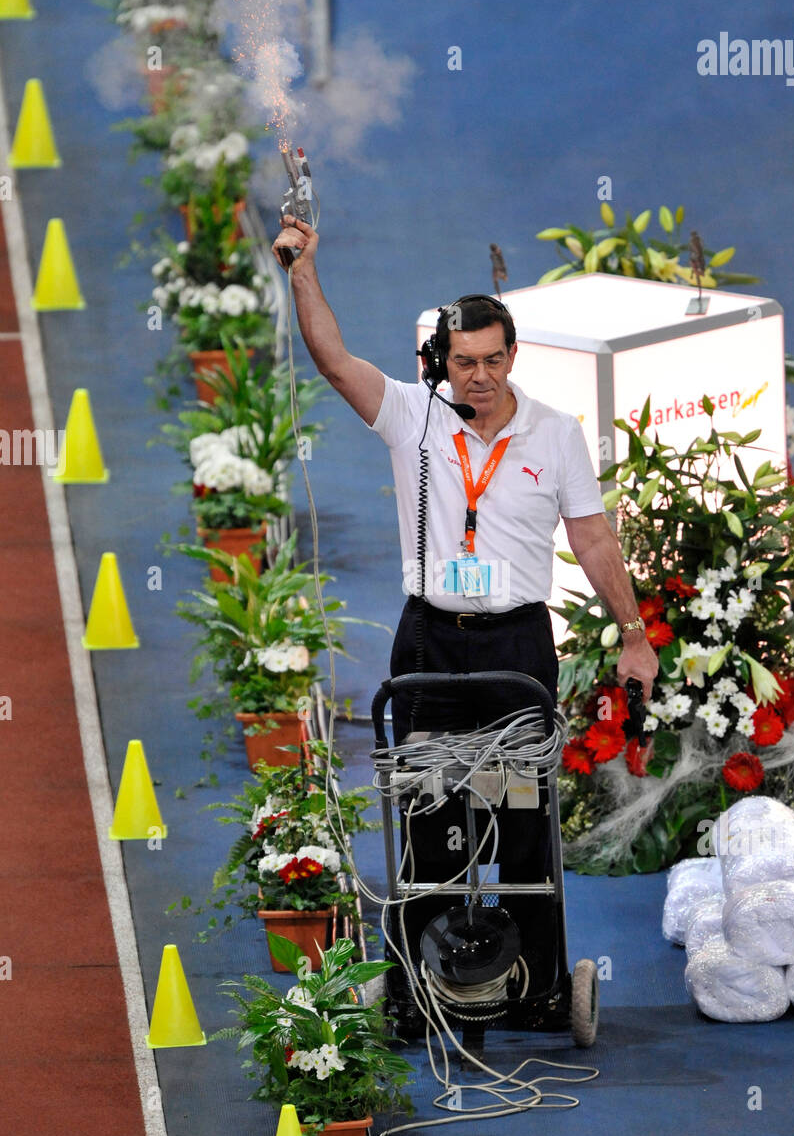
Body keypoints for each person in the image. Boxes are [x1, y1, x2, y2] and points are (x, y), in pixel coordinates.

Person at [272, 215, 659, 743]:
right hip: (429, 640)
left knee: (520, 808)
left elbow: (592, 539)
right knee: (429, 805)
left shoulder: (557, 432)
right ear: (439, 362)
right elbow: (336, 364)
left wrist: (634, 636)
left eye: (494, 360)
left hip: (518, 643)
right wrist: (303, 272)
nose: (481, 377)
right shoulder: (412, 413)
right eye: (465, 362)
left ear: (513, 356)